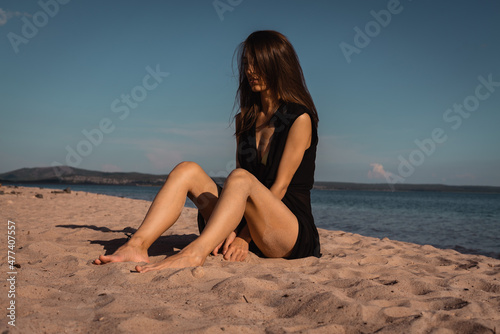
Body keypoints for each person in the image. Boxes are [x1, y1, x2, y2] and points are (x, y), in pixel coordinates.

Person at [94, 30, 320, 273]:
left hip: (286, 231)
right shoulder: (245, 119)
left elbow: (280, 187)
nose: (250, 71)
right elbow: (240, 182)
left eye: (258, 64)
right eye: (247, 64)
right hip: (248, 222)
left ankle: (194, 253)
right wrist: (235, 226)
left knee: (240, 178)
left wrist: (245, 237)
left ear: (277, 65)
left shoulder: (299, 118)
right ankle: (137, 245)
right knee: (187, 170)